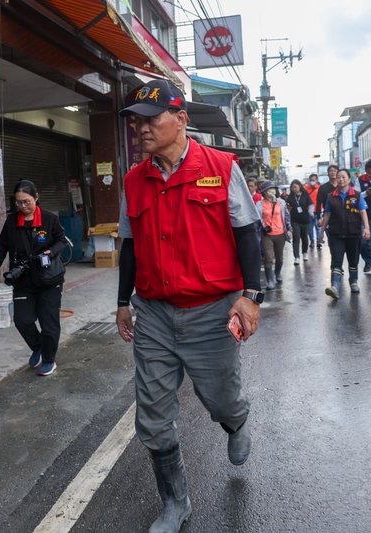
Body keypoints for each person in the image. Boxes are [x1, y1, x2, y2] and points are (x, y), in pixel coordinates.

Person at [115, 79, 264, 533]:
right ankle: (175, 503)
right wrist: (123, 302)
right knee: (153, 415)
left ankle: (235, 423)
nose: (140, 128)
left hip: (212, 309)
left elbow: (247, 231)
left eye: (150, 119)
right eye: (135, 121)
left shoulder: (219, 166)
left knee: (220, 399)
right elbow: (127, 244)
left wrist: (251, 296)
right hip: (155, 313)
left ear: (181, 120)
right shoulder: (133, 179)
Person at [0, 180, 67, 376]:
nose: (22, 206)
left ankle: (49, 359)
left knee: (49, 324)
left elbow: (61, 239)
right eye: (19, 203)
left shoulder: (48, 218)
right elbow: (1, 248)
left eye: (26, 202)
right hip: (23, 280)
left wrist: (51, 252)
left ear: (36, 198)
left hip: (48, 279)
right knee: (23, 321)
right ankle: (38, 347)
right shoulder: (12, 221)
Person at [319, 169, 370, 297]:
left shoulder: (357, 195)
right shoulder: (331, 196)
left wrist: (367, 228)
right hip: (336, 234)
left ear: (348, 179)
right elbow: (327, 214)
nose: (340, 179)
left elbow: (363, 212)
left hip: (353, 233)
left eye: (343, 177)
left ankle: (353, 282)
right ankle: (334, 286)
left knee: (353, 260)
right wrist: (321, 232)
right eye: (338, 177)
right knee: (336, 260)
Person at [257, 180, 292, 289]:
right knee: (268, 258)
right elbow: (256, 221)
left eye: (273, 189)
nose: (271, 191)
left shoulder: (281, 202)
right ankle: (270, 281)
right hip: (267, 235)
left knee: (279, 258)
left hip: (280, 234)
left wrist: (289, 229)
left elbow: (287, 216)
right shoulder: (259, 204)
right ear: (264, 192)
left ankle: (278, 273)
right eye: (268, 190)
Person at [286, 179, 314, 264]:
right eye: (292, 187)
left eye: (295, 187)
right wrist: (288, 207)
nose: (294, 189)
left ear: (300, 187)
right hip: (295, 220)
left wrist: (311, 212)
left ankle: (305, 252)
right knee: (296, 237)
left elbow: (311, 204)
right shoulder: (290, 197)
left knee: (305, 238)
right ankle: (296, 257)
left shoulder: (305, 195)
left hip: (305, 220)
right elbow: (287, 207)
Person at [316, 165, 339, 245]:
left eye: (335, 170)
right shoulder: (323, 188)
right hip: (328, 217)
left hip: (342, 217)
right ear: (328, 174)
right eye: (331, 171)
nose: (333, 172)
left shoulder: (343, 186)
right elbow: (319, 203)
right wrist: (319, 218)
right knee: (332, 241)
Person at [305, 173, 321, 248]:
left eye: (313, 180)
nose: (312, 182)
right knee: (310, 228)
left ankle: (318, 241)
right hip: (309, 212)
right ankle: (312, 241)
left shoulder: (320, 188)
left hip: (318, 211)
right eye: (311, 180)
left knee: (318, 227)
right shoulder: (306, 189)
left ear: (317, 180)